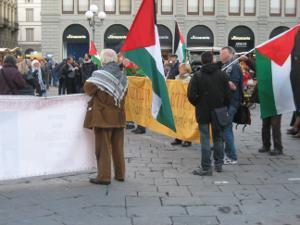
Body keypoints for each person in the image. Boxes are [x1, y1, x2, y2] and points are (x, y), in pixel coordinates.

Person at [83, 49, 128, 185]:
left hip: (103, 115)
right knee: (118, 147)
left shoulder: (99, 74)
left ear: (103, 60)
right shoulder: (122, 75)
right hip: (119, 115)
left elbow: (88, 89)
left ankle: (104, 176)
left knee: (103, 148)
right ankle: (120, 174)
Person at [188, 51, 231, 176]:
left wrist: (198, 103)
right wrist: (224, 106)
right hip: (219, 110)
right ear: (212, 60)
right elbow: (228, 94)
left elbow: (191, 95)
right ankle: (219, 164)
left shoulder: (197, 75)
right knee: (218, 138)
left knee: (205, 139)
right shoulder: (222, 75)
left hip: (203, 111)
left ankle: (206, 167)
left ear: (202, 61)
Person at [220, 46, 243, 165]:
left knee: (226, 128)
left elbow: (233, 86)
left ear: (230, 54)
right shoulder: (225, 66)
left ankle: (232, 157)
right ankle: (228, 153)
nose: (220, 55)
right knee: (227, 128)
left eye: (223, 53)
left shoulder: (234, 66)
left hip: (232, 102)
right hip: (225, 102)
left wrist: (220, 78)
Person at [171, 63, 193, 147]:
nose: (180, 70)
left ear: (186, 69)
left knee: (186, 121)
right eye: (179, 68)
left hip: (186, 103)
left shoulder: (189, 79)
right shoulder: (177, 77)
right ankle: (178, 138)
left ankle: (187, 140)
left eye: (181, 68)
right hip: (177, 103)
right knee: (178, 120)